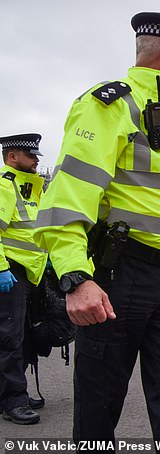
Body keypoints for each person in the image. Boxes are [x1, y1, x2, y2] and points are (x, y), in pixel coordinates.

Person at [34, 12, 160, 443]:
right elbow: (68, 198)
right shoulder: (109, 105)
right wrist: (76, 278)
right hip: (119, 276)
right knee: (99, 407)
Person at [0, 134, 47, 425]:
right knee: (9, 338)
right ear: (12, 157)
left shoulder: (30, 188)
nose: (37, 160)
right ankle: (13, 400)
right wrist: (1, 269)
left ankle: (11, 392)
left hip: (29, 273)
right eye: (31, 156)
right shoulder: (5, 186)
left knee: (22, 336)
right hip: (11, 272)